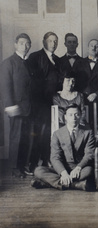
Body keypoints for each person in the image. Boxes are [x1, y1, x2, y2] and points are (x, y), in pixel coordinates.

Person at [32, 104, 95, 191]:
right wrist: (63, 173)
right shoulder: (57, 134)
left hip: (80, 169)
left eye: (76, 114)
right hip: (63, 167)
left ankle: (49, 183)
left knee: (89, 171)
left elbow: (89, 154)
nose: (74, 117)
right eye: (70, 115)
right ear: (65, 117)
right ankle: (75, 185)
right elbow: (55, 157)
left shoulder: (88, 132)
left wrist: (78, 167)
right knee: (38, 170)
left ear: (80, 116)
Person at [27, 31, 61, 169]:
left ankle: (46, 159)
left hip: (53, 102)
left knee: (49, 132)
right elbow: (33, 81)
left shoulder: (58, 60)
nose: (53, 44)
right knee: (36, 132)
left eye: (55, 41)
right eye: (50, 41)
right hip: (38, 102)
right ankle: (33, 163)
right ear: (44, 42)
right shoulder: (35, 57)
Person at [0, 33, 32, 177]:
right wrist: (10, 106)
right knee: (16, 137)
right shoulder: (8, 62)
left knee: (27, 137)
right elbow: (5, 86)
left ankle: (23, 165)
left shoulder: (30, 63)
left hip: (29, 107)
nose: (24, 46)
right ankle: (14, 168)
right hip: (16, 107)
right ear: (15, 45)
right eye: (21, 43)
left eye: (27, 44)